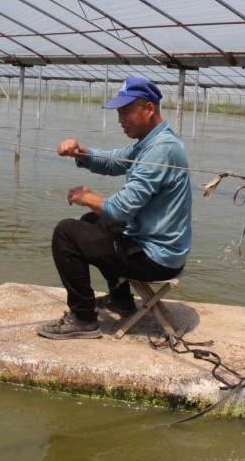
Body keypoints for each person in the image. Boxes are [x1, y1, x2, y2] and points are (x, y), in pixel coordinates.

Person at [38, 77, 192, 339]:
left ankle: (83, 319)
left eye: (125, 112)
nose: (120, 119)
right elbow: (113, 162)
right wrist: (81, 153)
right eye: (119, 113)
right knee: (90, 220)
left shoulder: (161, 149)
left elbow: (120, 210)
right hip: (158, 249)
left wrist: (86, 195)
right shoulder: (151, 142)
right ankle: (121, 300)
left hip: (156, 259)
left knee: (66, 232)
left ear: (149, 108)